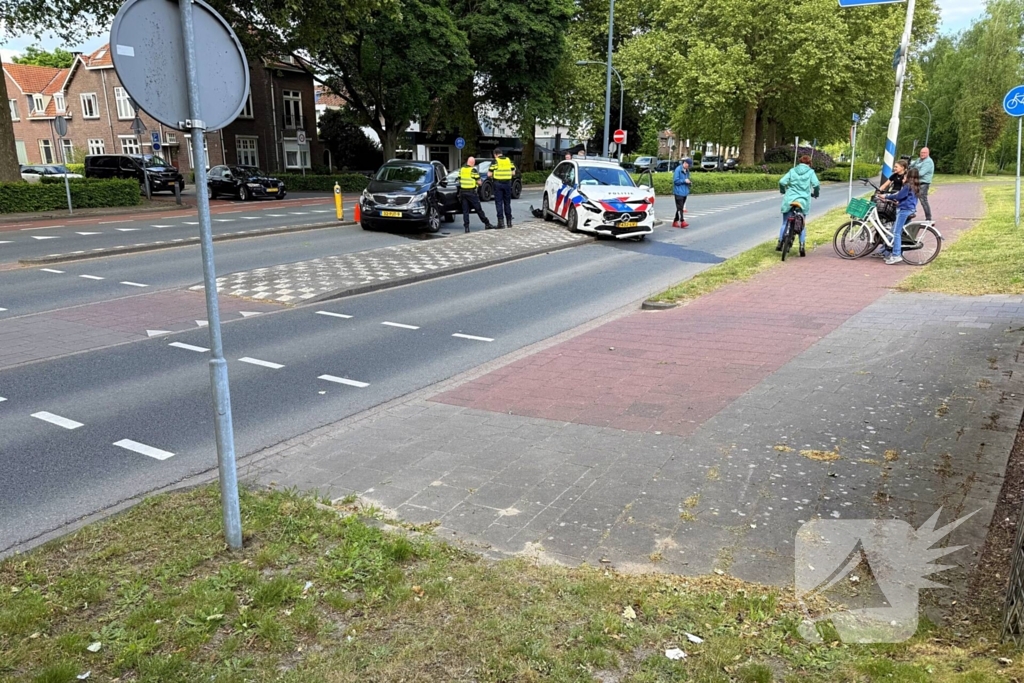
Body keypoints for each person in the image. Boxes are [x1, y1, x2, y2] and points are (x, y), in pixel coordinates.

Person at [776, 155, 820, 257]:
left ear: (799, 162)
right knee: (802, 224)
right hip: (803, 201)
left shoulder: (792, 171)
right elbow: (816, 185)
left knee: (785, 222)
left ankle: (780, 242)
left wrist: (783, 191)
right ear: (809, 163)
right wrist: (816, 194)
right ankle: (801, 246)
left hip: (789, 199)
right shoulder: (810, 172)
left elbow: (782, 182)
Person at [877, 163, 919, 265]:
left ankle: (896, 255)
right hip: (910, 209)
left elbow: (899, 195)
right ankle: (885, 251)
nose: (903, 177)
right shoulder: (916, 186)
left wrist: (886, 196)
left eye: (905, 176)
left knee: (896, 232)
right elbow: (905, 197)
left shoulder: (907, 186)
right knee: (898, 231)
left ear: (908, 177)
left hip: (904, 210)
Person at [458, 157, 494, 232]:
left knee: (465, 211)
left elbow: (459, 180)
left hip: (463, 193)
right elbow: (479, 182)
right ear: (473, 163)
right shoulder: (473, 170)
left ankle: (466, 228)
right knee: (478, 209)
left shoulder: (461, 170)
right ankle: (487, 223)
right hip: (471, 193)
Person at [488, 148, 516, 228]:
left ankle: (501, 223)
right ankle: (509, 222)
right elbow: (513, 173)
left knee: (499, 203)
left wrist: (495, 174)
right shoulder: (508, 160)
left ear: (495, 154)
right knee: (507, 203)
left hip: (498, 184)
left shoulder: (495, 161)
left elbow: (489, 174)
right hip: (507, 183)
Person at [911, 147, 934, 221]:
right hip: (916, 183)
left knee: (923, 200)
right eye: (921, 152)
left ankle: (928, 218)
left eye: (924, 153)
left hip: (923, 184)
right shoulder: (919, 160)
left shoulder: (928, 162)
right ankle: (910, 214)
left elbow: (921, 173)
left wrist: (912, 172)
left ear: (928, 153)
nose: (922, 154)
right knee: (911, 198)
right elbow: (911, 165)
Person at [672, 158, 692, 228]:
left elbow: (688, 178)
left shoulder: (687, 170)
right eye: (688, 165)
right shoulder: (678, 170)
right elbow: (675, 181)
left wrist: (689, 182)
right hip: (678, 192)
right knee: (680, 208)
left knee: (679, 207)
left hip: (684, 192)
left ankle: (675, 221)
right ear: (685, 163)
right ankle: (682, 221)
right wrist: (684, 181)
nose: (688, 167)